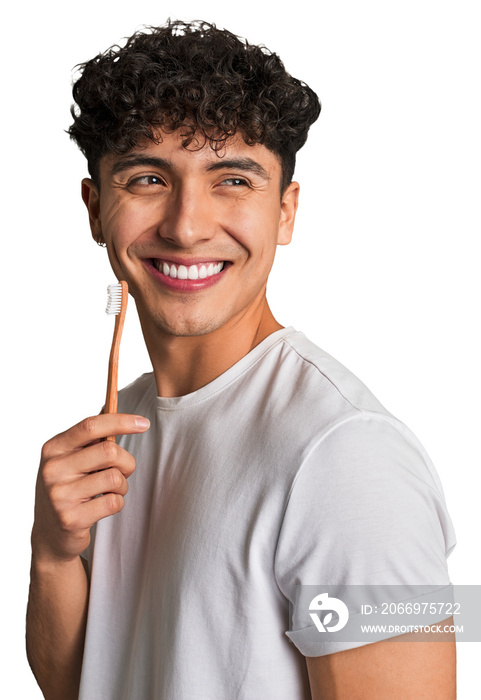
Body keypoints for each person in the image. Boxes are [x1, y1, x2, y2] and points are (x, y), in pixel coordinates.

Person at [26, 20, 456, 700]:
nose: (187, 224)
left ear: (285, 211)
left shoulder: (348, 456)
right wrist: (53, 555)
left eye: (231, 180)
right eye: (146, 178)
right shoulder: (123, 421)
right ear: (94, 208)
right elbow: (87, 685)